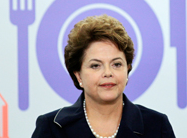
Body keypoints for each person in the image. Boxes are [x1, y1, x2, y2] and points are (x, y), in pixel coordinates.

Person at [32, 15, 176, 138]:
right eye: (95, 65)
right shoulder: (51, 128)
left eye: (117, 64)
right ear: (78, 76)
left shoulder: (157, 126)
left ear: (128, 69)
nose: (108, 73)